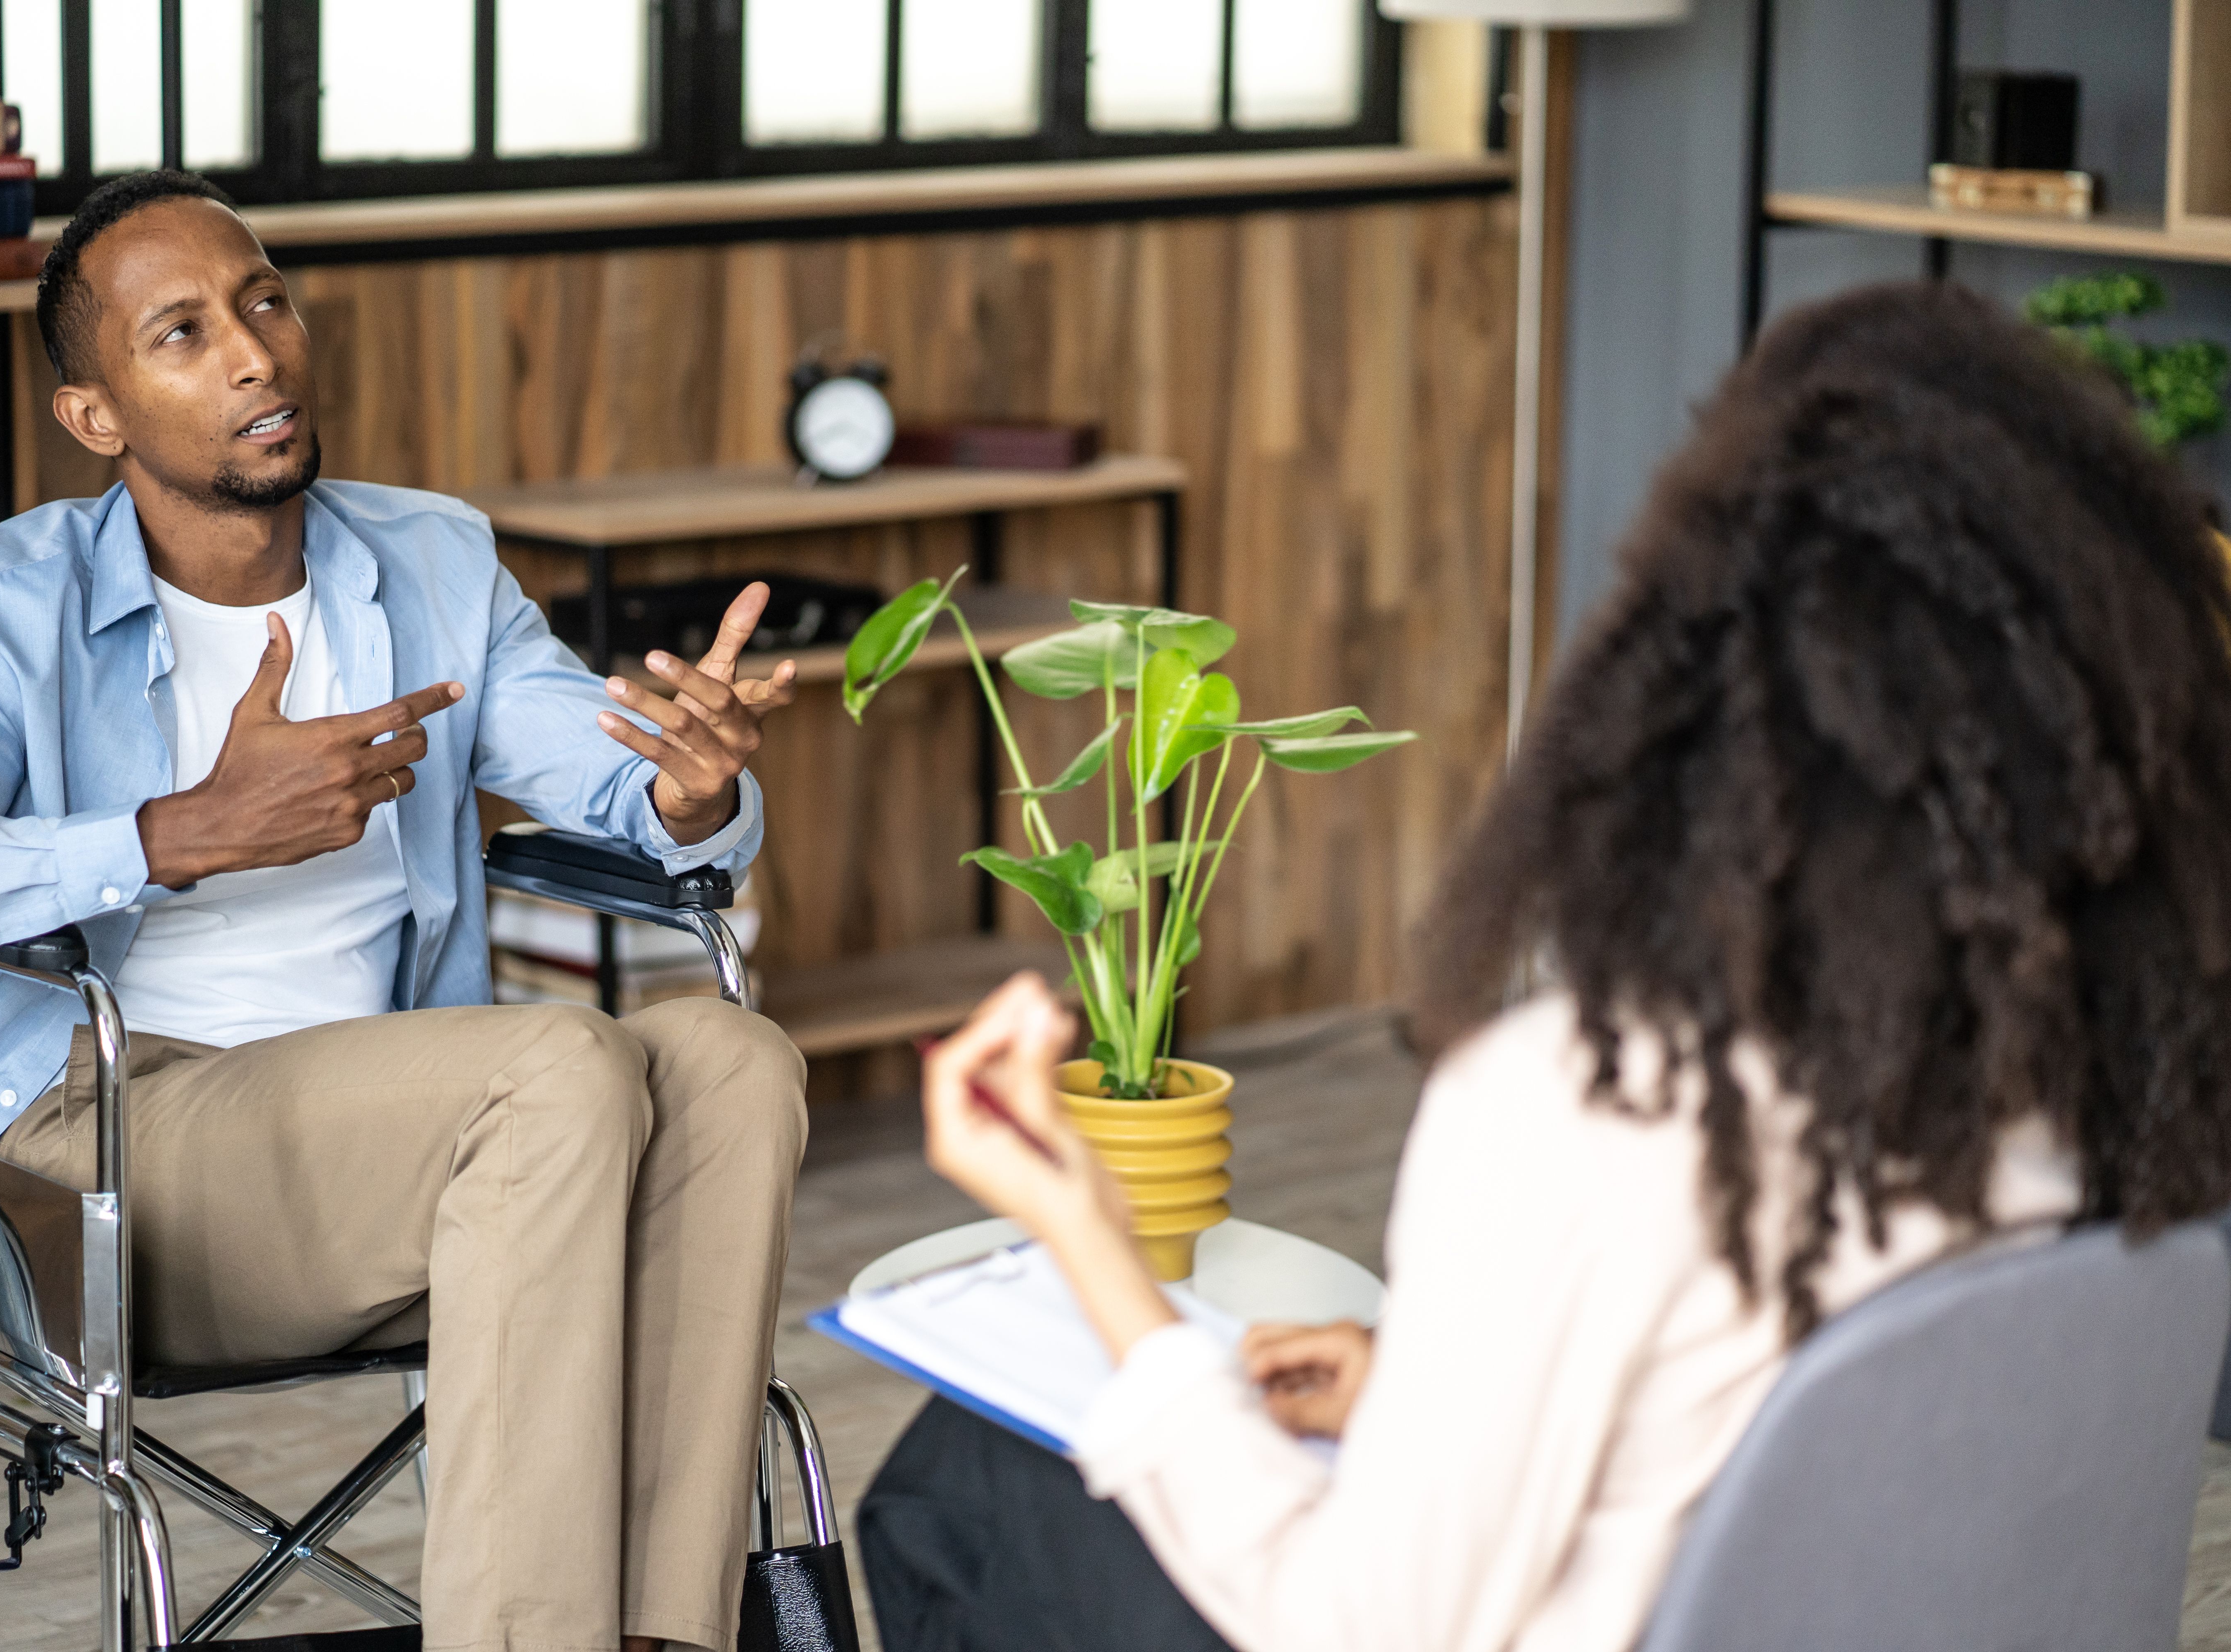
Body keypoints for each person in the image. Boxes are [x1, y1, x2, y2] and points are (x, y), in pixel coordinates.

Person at [857, 280, 2231, 1652]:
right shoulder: (2126, 1085)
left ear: (1686, 675)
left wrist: (1096, 1246)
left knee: (964, 1486)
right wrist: (1427, 1403)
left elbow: (1354, 1632)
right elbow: (1809, 1456)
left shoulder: (1585, 1108)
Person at [0, 169, 807, 1652]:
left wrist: (691, 792)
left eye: (265, 300)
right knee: (557, 1066)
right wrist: (171, 834)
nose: (255, 352)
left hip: (409, 1126)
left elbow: (612, 781)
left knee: (733, 1061)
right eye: (184, 334)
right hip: (111, 1151)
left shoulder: (434, 561)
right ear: (100, 416)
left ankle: (650, 1636)